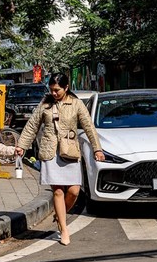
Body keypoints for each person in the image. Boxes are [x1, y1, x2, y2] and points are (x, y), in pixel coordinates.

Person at [16, 72, 105, 245]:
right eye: (51, 90)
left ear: (66, 88)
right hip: (50, 152)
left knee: (74, 191)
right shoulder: (45, 105)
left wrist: (97, 149)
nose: (54, 93)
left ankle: (60, 212)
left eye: (57, 90)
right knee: (57, 191)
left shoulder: (76, 104)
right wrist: (22, 146)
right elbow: (32, 126)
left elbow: (89, 127)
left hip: (70, 151)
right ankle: (64, 229)